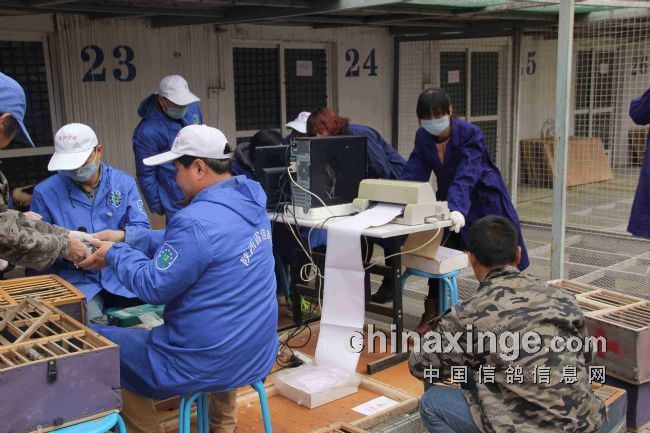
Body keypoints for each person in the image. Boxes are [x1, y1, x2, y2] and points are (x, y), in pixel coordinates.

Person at [79, 125, 278, 433]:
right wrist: (128, 237)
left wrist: (115, 254)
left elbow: (153, 286)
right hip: (256, 352)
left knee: (99, 347)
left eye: (176, 169)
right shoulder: (249, 200)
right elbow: (194, 245)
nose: (173, 179)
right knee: (226, 324)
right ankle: (223, 426)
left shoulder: (195, 220)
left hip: (203, 361)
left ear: (198, 168)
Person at [409, 216, 605, 433]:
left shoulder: (467, 314)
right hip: (585, 423)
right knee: (479, 370)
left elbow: (420, 366)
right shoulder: (564, 298)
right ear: (519, 254)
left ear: (471, 259)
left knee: (432, 402)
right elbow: (588, 356)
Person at [400, 88, 529, 333]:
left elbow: (467, 174)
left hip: (484, 200)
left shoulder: (470, 133)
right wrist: (399, 200)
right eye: (426, 117)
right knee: (438, 253)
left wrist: (457, 207)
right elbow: (414, 172)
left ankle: (511, 309)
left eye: (438, 115)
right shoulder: (423, 137)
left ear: (450, 111)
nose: (433, 122)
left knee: (495, 256)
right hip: (451, 203)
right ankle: (433, 313)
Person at [29, 123, 150, 319]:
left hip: (120, 274)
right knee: (91, 328)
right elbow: (35, 247)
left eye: (81, 162)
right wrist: (66, 250)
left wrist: (117, 242)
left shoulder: (123, 183)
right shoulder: (45, 192)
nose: (77, 169)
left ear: (98, 151)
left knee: (149, 318)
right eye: (70, 165)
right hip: (75, 280)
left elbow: (142, 230)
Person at [307, 107, 406, 303]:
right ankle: (364, 287)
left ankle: (389, 285)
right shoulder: (333, 143)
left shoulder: (357, 133)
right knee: (363, 236)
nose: (318, 137)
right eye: (314, 134)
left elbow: (381, 168)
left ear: (330, 125)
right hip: (369, 191)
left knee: (386, 236)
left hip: (394, 185)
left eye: (320, 131)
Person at [0, 72, 88, 271]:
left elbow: (4, 219)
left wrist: (64, 235)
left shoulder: (121, 182)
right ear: (4, 121)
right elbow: (3, 231)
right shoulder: (45, 190)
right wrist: (64, 245)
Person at [133, 75, 202, 220]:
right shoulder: (147, 131)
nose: (183, 107)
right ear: (161, 100)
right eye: (177, 104)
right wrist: (156, 204)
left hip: (202, 185)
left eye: (185, 103)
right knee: (182, 230)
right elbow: (146, 173)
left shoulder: (193, 108)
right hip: (175, 196)